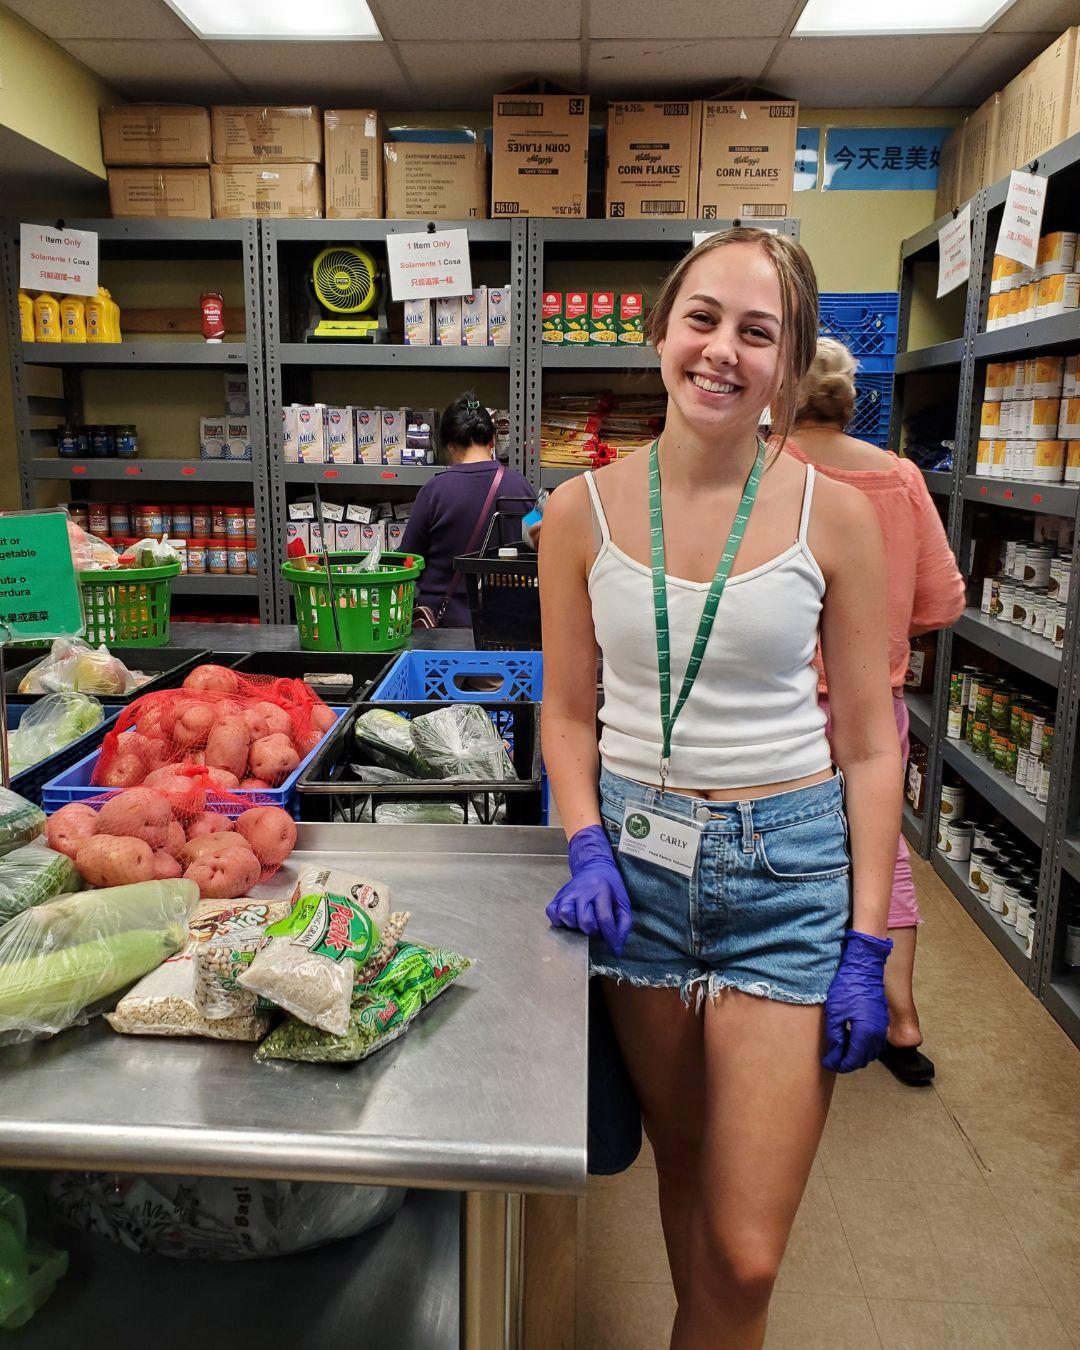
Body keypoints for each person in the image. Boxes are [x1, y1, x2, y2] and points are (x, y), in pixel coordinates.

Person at [539, 227, 903, 1350]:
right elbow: (566, 712)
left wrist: (869, 941)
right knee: (685, 1173)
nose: (722, 351)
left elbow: (870, 741)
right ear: (662, 331)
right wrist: (586, 840)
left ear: (787, 365)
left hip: (787, 875)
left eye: (758, 332)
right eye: (702, 319)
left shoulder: (835, 513)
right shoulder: (579, 512)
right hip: (638, 873)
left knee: (745, 1254)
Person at [790, 337, 965, 1085]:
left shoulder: (766, 472)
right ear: (850, 399)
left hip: (782, 702)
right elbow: (942, 600)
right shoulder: (899, 477)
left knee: (782, 842)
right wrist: (883, 629)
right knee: (881, 848)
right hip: (874, 700)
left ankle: (785, 1006)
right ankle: (900, 1018)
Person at [400, 394, 534, 627]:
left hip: (443, 625)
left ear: (449, 445)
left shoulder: (435, 490)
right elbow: (538, 541)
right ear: (492, 440)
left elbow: (408, 560)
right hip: (506, 623)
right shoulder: (520, 486)